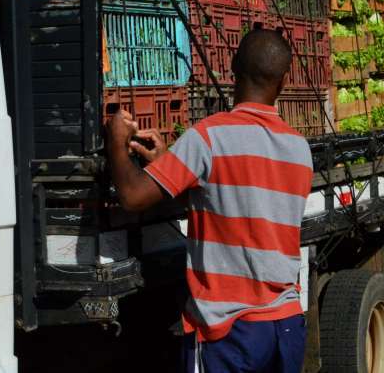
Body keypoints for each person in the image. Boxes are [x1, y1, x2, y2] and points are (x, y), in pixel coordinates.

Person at [106, 28, 313, 373]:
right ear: (283, 82)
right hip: (286, 323)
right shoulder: (299, 150)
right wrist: (170, 165)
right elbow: (237, 197)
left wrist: (116, 141)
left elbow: (132, 196)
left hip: (229, 332)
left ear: (233, 67)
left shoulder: (207, 137)